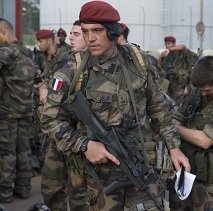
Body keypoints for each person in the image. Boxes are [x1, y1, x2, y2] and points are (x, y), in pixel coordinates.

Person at [40, 1, 190, 210]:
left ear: (112, 32)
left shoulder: (138, 62)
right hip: (100, 176)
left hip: (142, 166)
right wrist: (84, 145)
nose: (90, 38)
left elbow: (158, 108)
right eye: (85, 31)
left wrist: (174, 147)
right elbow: (49, 119)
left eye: (97, 31)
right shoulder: (72, 70)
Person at [170, 56, 213, 211]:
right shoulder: (197, 89)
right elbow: (177, 116)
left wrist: (173, 129)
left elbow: (205, 140)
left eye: (207, 90)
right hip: (187, 173)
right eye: (200, 89)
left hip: (210, 184)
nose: (203, 94)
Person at [0, 18, 36, 203]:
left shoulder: (5, 52)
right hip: (26, 111)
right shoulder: (27, 52)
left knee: (6, 153)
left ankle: (4, 194)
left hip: (7, 113)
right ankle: (23, 190)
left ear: (2, 32)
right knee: (24, 152)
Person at [34, 29, 71, 211]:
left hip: (70, 129)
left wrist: (44, 85)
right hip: (51, 123)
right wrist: (42, 85)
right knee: (51, 186)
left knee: (78, 189)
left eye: (76, 34)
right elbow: (45, 80)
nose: (71, 38)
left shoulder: (66, 57)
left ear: (50, 40)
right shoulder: (41, 57)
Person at [158, 36, 197, 104]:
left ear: (174, 43)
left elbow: (183, 46)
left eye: (169, 43)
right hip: (167, 82)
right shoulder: (165, 55)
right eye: (166, 44)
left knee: (178, 102)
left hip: (178, 84)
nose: (167, 46)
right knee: (166, 102)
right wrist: (161, 56)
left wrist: (170, 50)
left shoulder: (180, 53)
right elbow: (159, 66)